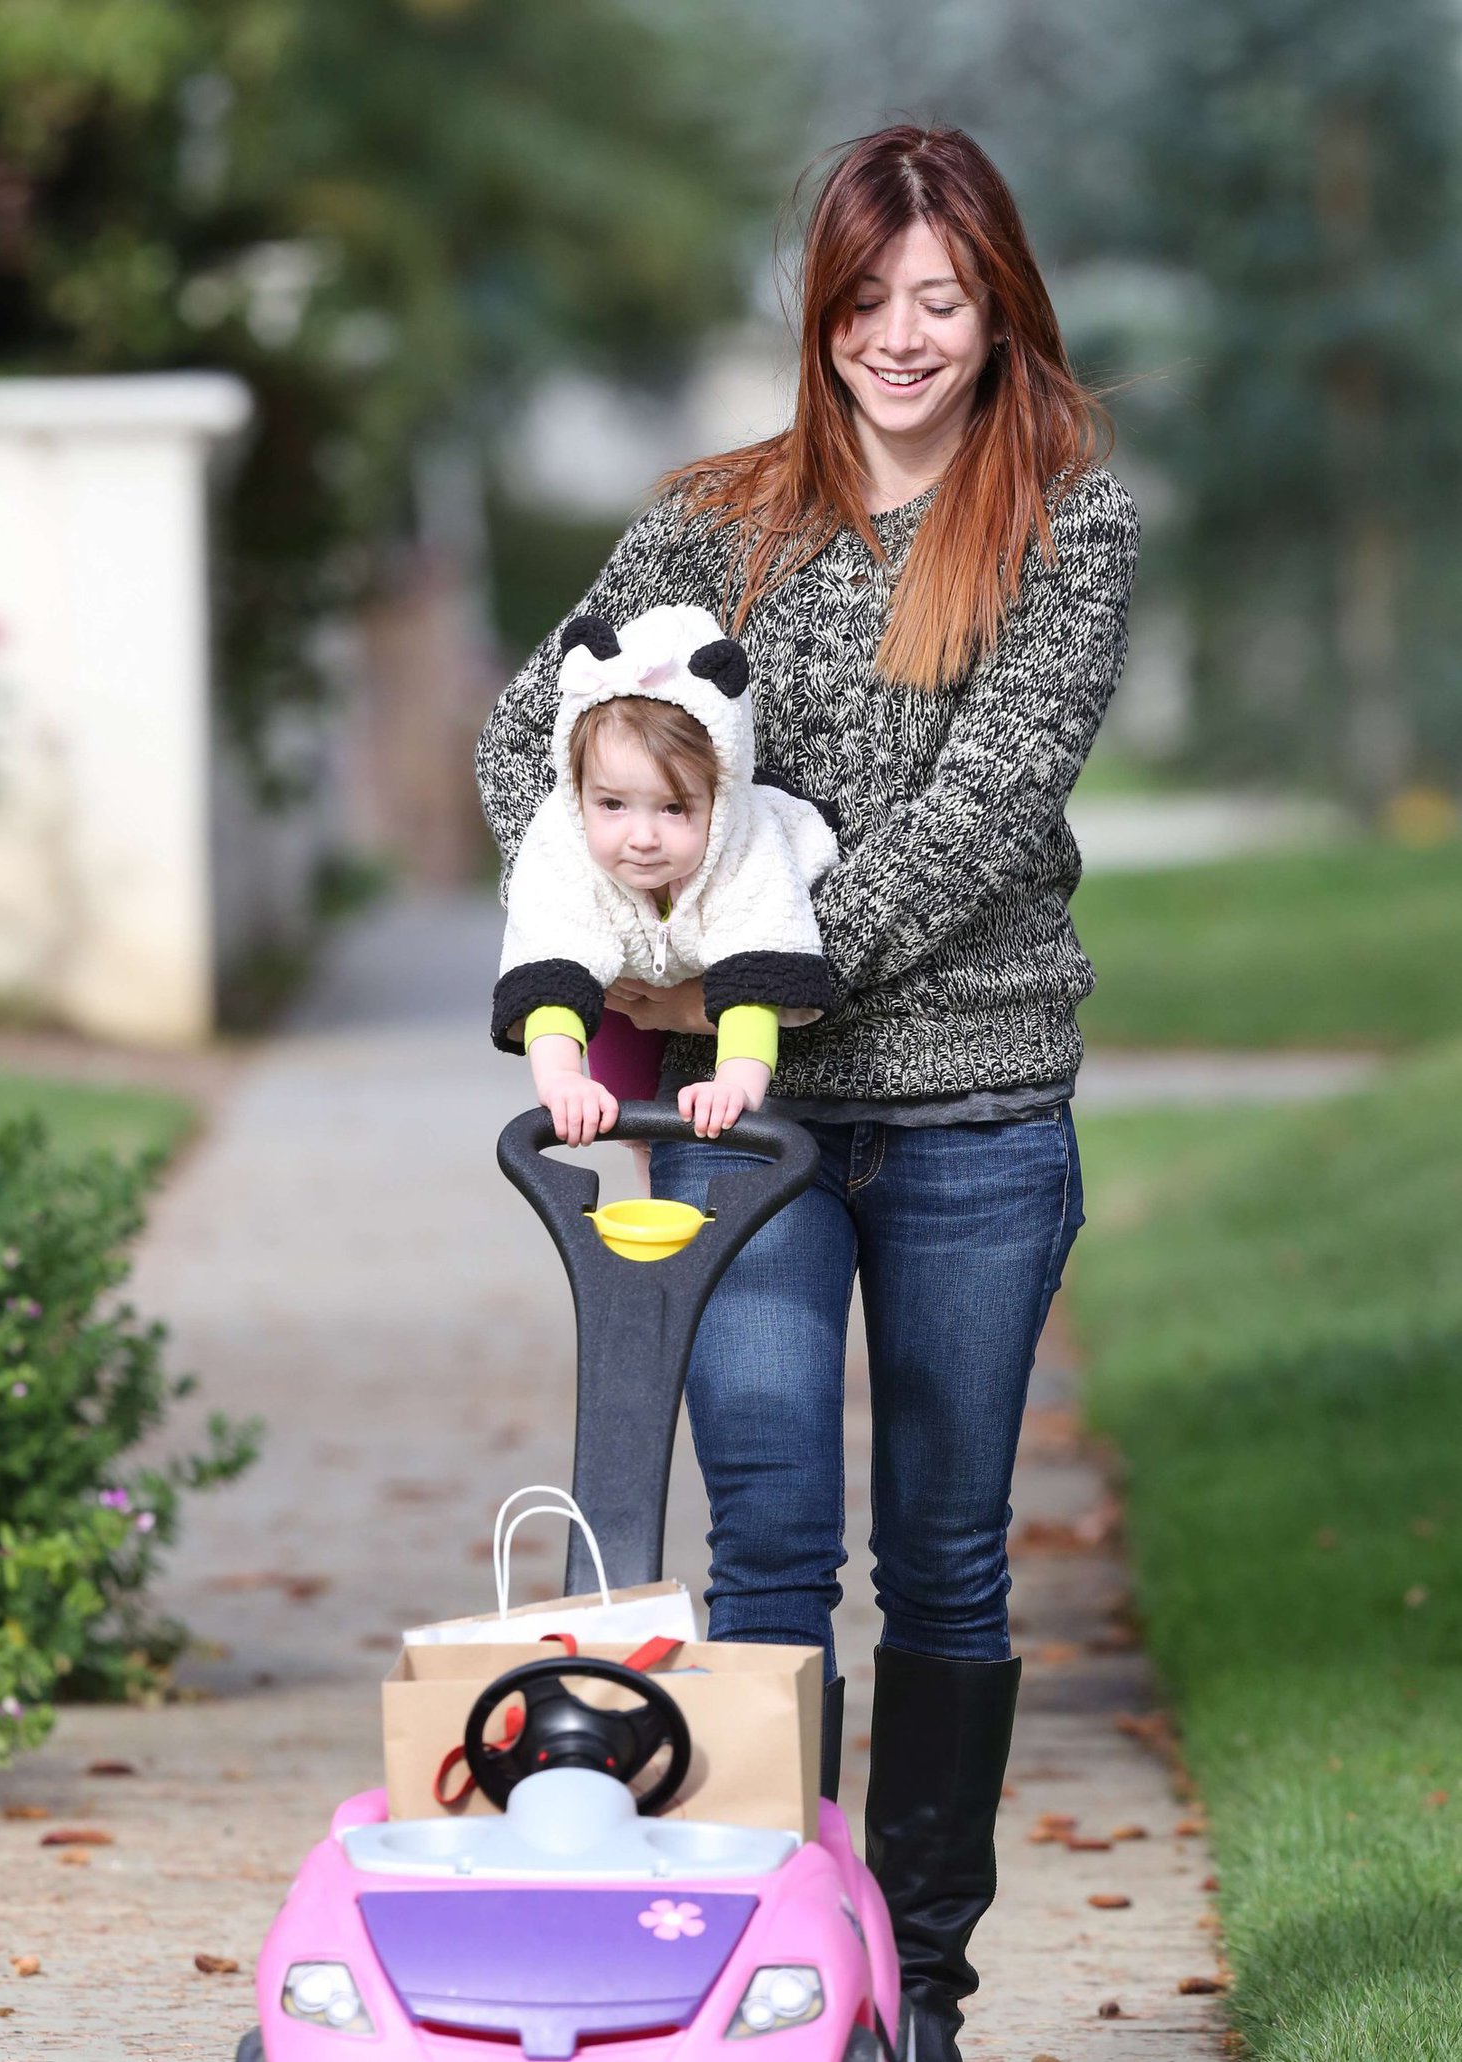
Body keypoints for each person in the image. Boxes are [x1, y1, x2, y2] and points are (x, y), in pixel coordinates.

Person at [476, 122, 1140, 2062]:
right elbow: (531, 737)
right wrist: (605, 928)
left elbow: (988, 805)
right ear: (820, 313)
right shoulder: (711, 519)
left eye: (941, 298)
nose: (903, 337)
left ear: (997, 300)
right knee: (769, 1533)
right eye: (867, 301)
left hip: (968, 1103)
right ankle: (778, 1954)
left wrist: (752, 954)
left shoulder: (1064, 520)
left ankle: (917, 1965)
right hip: (724, 1132)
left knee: (941, 1543)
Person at [491, 600, 839, 1146]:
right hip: (623, 978)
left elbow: (760, 966)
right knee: (628, 1114)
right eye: (612, 805)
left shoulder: (747, 847)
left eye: (673, 808)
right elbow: (548, 967)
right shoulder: (559, 846)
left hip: (708, 955)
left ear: (718, 801)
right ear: (578, 793)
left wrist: (735, 1083)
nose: (643, 837)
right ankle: (645, 1177)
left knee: (725, 1099)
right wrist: (561, 1081)